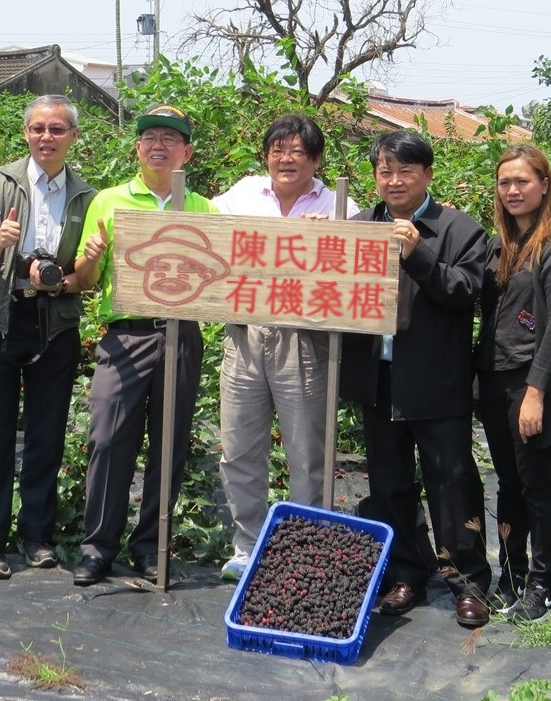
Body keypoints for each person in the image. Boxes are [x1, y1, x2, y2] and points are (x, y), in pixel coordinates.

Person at [339, 130, 493, 629]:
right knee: (389, 484)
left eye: (406, 170)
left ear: (427, 174)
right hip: (378, 379)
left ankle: (468, 582)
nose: (395, 180)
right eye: (385, 171)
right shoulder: (359, 227)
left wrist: (416, 252)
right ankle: (407, 572)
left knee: (452, 482)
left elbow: (465, 290)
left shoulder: (458, 229)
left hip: (436, 381)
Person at [72, 104, 217, 586]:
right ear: (137, 148)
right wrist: (91, 258)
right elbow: (85, 279)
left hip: (182, 335)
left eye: (170, 138)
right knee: (107, 438)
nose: (159, 145)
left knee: (169, 444)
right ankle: (97, 548)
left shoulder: (204, 209)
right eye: (150, 137)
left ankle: (152, 548)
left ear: (187, 152)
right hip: (125, 334)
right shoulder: (109, 201)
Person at [212, 114, 360, 582]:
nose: (286, 158)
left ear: (316, 160)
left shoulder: (338, 205)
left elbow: (361, 262)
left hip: (305, 339)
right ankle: (247, 544)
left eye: (298, 151)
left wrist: (329, 236)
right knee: (239, 446)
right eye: (278, 150)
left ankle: (306, 548)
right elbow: (205, 230)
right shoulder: (242, 194)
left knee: (307, 450)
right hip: (246, 333)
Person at [0, 95, 97, 580]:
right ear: (25, 133)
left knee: (47, 434)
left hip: (54, 321)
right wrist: (0, 242)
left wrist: (65, 276)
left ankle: (37, 537)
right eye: (38, 128)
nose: (47, 137)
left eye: (57, 129)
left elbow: (86, 274)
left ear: (73, 136)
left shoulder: (86, 196)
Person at [475, 145, 551, 622]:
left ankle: (545, 584)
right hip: (495, 377)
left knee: (536, 484)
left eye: (522, 181)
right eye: (505, 182)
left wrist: (536, 392)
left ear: (543, 185)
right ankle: (512, 575)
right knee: (508, 483)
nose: (513, 190)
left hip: (530, 382)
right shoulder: (499, 243)